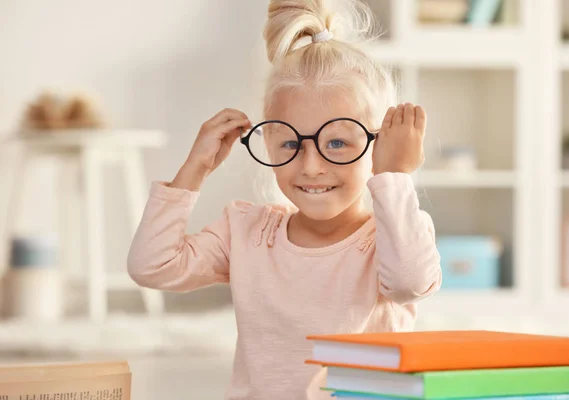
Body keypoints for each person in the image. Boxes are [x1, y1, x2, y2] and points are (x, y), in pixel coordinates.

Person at [127, 0, 442, 398]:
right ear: (268, 141)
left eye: (338, 142)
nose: (310, 166)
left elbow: (409, 284)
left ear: (379, 143)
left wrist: (393, 176)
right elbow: (152, 267)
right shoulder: (246, 232)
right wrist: (195, 169)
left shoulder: (395, 235)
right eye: (291, 142)